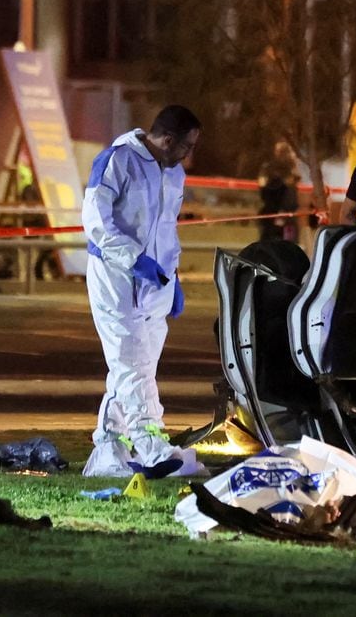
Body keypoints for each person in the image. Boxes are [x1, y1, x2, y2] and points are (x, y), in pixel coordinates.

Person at [81, 105, 205, 478]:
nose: (189, 154)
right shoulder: (118, 161)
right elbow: (95, 222)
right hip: (116, 281)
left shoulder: (173, 173)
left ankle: (109, 449)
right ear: (167, 140)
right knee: (132, 366)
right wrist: (133, 259)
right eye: (186, 146)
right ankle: (151, 444)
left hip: (156, 286)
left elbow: (167, 230)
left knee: (136, 368)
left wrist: (173, 276)